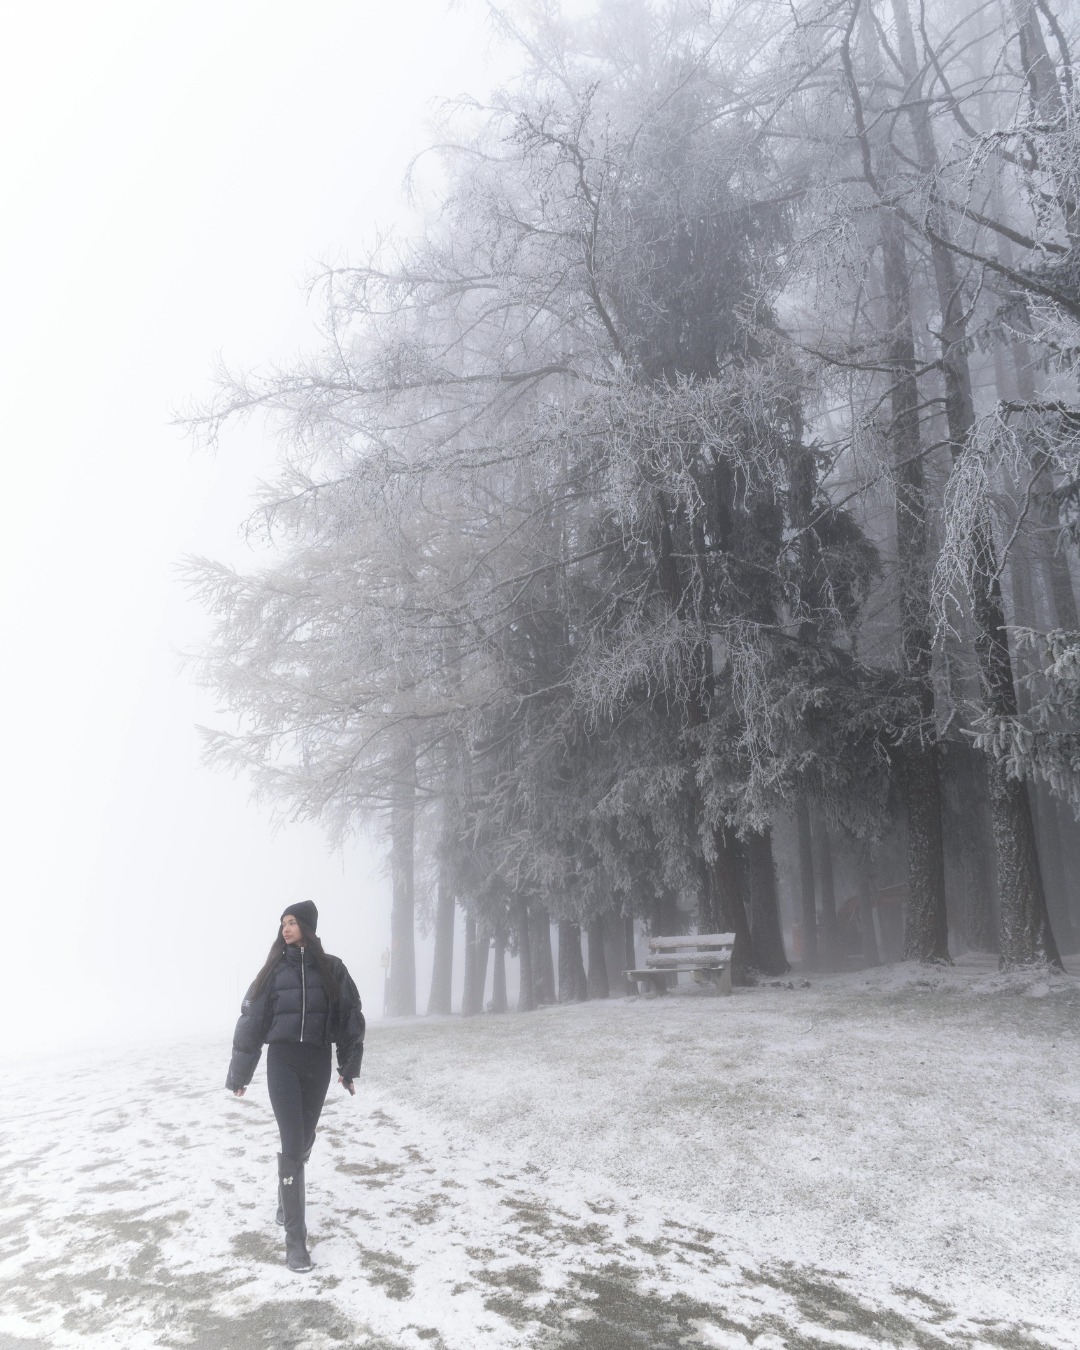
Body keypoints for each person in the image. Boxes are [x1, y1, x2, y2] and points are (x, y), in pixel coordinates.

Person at [226, 901, 365, 1273]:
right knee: (291, 1142)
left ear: (307, 926)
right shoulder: (274, 970)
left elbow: (350, 1017)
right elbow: (251, 1020)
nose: (286, 929)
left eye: (292, 922)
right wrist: (240, 1074)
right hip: (282, 1062)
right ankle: (295, 1244)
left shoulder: (333, 969)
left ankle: (285, 1197)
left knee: (304, 1139)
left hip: (317, 1062)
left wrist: (348, 1067)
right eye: (283, 923)